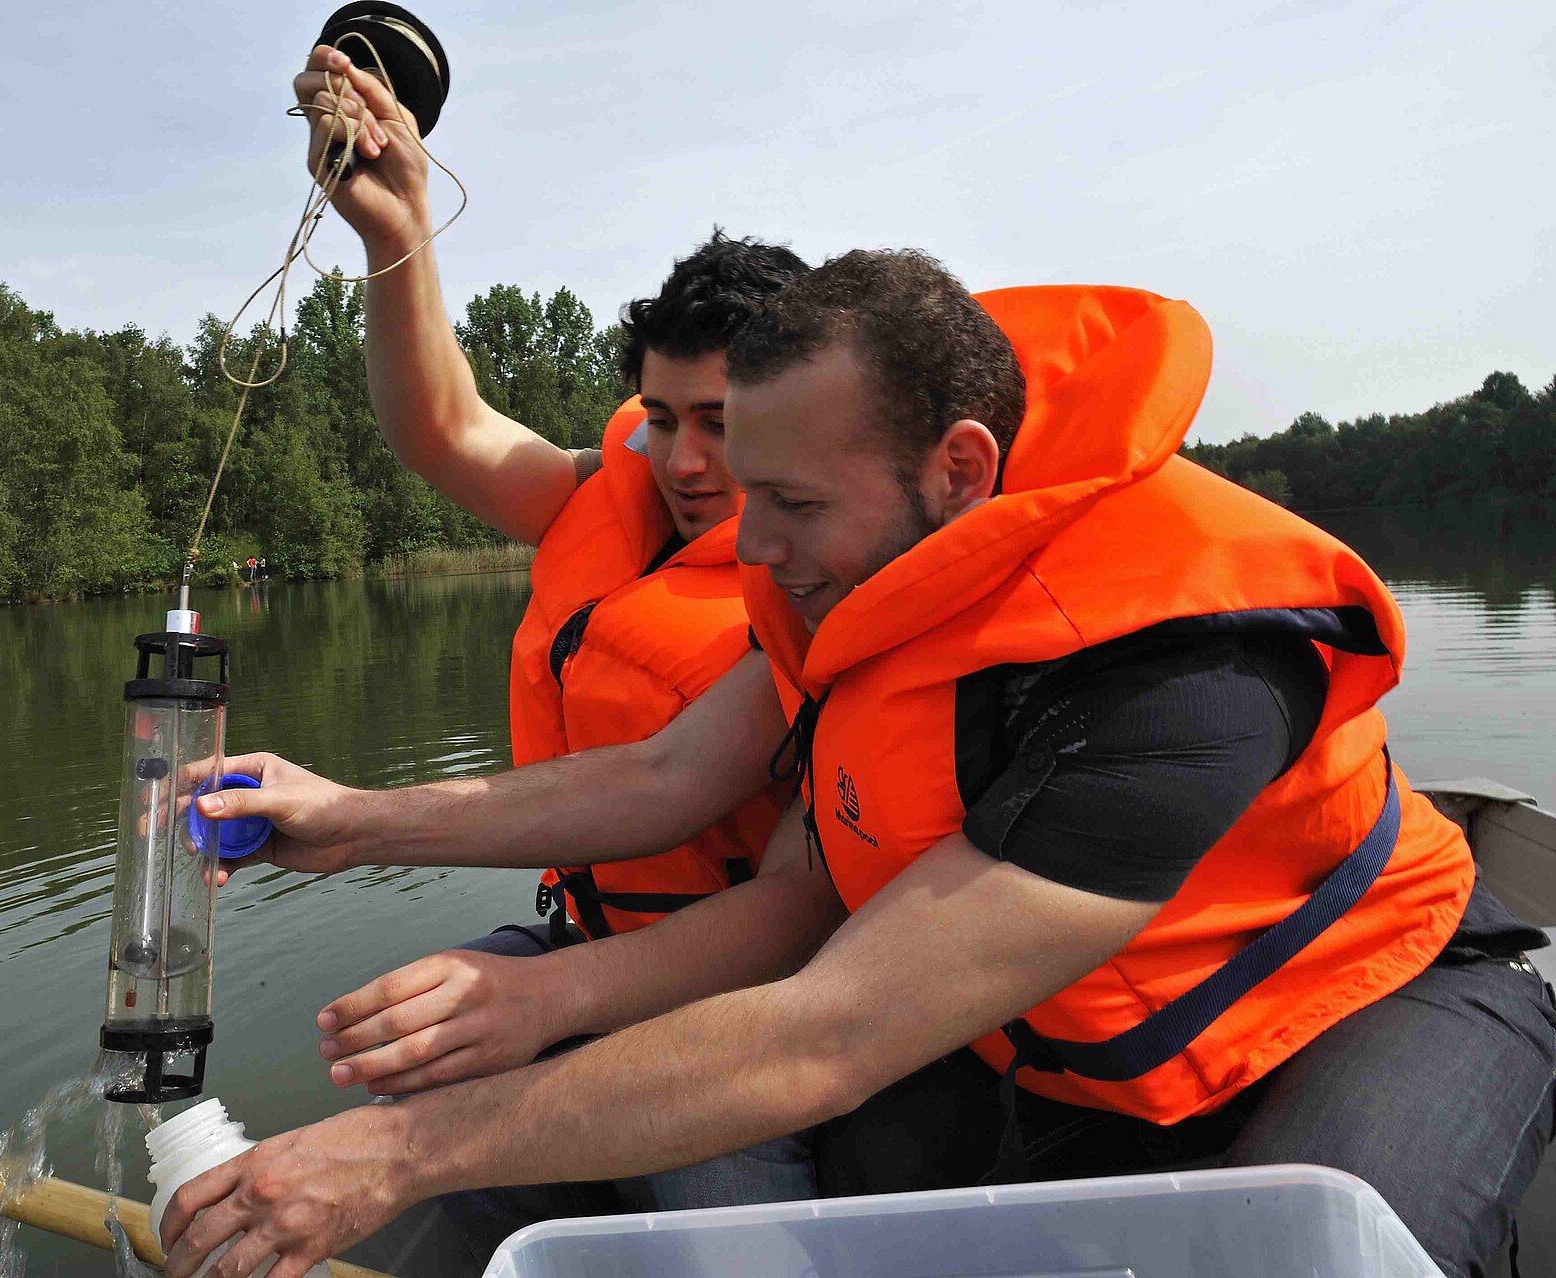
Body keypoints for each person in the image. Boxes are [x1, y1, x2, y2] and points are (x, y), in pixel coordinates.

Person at [164, 247, 1552, 1278]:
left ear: (958, 465)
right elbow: (661, 777)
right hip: (1068, 1053)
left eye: (792, 499)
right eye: (737, 484)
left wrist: (399, 1148)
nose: (748, 544)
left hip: (1371, 1003)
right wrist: (346, 821)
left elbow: (831, 1029)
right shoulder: (852, 573)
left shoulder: (1187, 672)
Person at [245, 43, 816, 1219]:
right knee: (391, 1100)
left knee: (726, 1227)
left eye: (723, 421)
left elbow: (713, 821)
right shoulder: (600, 497)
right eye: (662, 419)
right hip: (578, 943)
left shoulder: (834, 572)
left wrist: (362, 827)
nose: (689, 460)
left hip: (734, 1011)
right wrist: (395, 225)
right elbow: (441, 429)